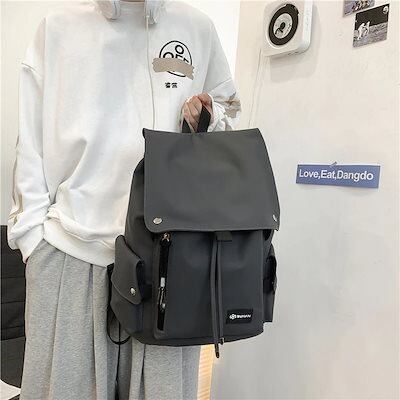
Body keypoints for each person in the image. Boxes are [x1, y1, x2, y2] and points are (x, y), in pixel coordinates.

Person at [7, 0, 241, 398]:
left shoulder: (197, 28)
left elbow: (228, 116)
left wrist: (209, 117)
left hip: (170, 262)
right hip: (69, 254)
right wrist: (32, 240)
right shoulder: (58, 28)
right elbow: (30, 143)